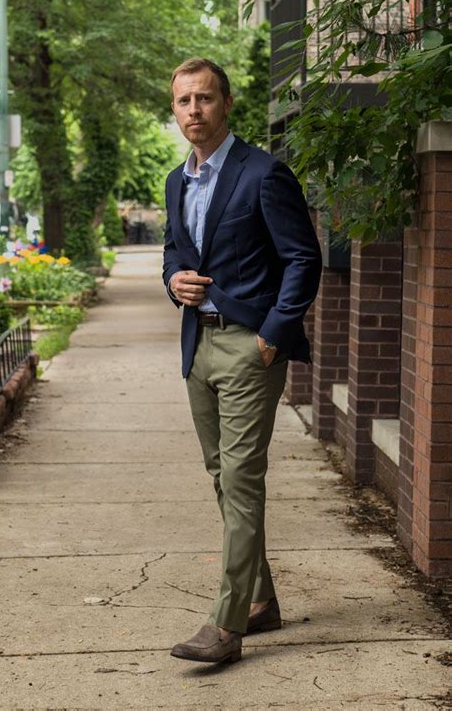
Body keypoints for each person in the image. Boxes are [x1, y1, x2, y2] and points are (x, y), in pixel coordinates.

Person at [163, 58, 322, 664]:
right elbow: (175, 252)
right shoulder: (178, 181)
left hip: (250, 346)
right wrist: (173, 278)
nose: (194, 110)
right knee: (219, 477)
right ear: (175, 110)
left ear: (226, 104)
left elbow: (302, 258)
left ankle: (225, 625)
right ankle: (262, 602)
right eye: (184, 101)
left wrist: (274, 335)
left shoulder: (263, 173)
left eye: (205, 98)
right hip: (198, 344)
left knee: (241, 479)